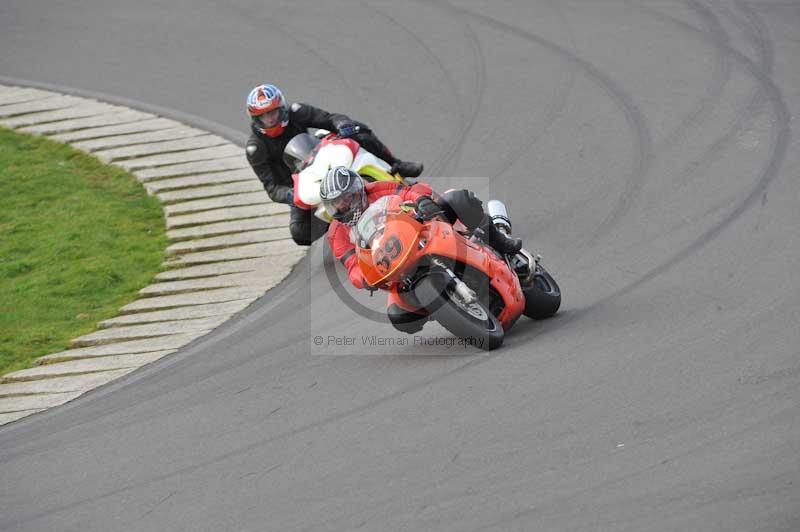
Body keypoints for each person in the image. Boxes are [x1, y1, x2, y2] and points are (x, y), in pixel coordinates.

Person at [321, 166, 522, 333]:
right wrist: (363, 278)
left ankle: (502, 242)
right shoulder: (336, 232)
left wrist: (421, 200)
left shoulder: (378, 189)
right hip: (395, 267)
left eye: (346, 198)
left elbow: (409, 191)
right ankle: (445, 304)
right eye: (336, 204)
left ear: (357, 190)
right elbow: (352, 265)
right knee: (400, 317)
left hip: (421, 233)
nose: (343, 206)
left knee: (459, 199)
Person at [245, 83, 424, 246]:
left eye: (273, 112)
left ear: (281, 108)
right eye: (263, 116)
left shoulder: (296, 111)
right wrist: (290, 195)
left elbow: (330, 118)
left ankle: (397, 165)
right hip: (301, 186)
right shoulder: (256, 148)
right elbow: (272, 188)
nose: (270, 119)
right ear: (256, 118)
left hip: (317, 157)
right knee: (299, 232)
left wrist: (342, 124)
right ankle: (339, 228)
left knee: (357, 131)